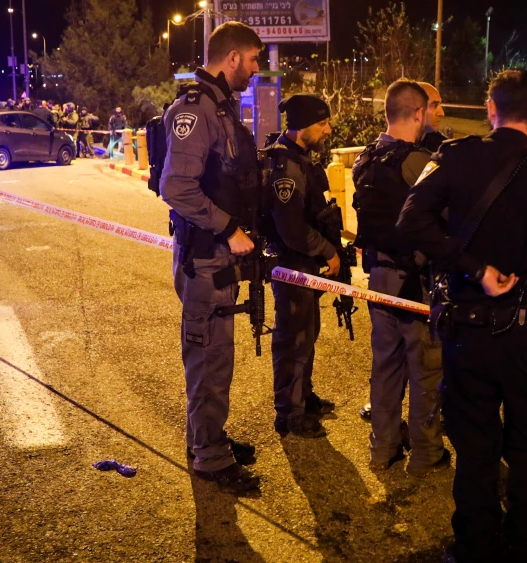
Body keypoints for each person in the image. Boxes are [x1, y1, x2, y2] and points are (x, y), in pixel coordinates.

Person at [397, 69, 527, 562]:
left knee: (474, 444)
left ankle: (474, 545)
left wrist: (474, 268)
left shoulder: (455, 156)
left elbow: (411, 222)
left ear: (491, 110)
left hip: (469, 330)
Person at [159, 21, 265, 493]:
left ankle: (206, 436)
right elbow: (175, 187)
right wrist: (229, 229)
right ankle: (209, 456)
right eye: (254, 59)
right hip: (205, 257)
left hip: (215, 258)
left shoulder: (218, 107)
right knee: (210, 358)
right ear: (233, 58)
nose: (257, 68)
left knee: (213, 357)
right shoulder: (196, 109)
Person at [351, 79, 448, 475]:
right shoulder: (418, 163)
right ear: (418, 113)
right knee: (425, 367)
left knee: (385, 366)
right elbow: (444, 217)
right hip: (414, 280)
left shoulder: (366, 158)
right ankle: (426, 454)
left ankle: (383, 448)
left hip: (378, 277)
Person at [261, 93, 338, 438]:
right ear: (303, 126)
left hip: (305, 268)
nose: (328, 129)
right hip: (293, 267)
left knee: (308, 333)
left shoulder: (300, 158)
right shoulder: (286, 168)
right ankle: (289, 413)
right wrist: (327, 251)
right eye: (322, 123)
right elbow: (292, 231)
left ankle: (303, 397)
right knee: (293, 338)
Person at [417, 82, 447, 152]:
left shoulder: (442, 148)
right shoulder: (391, 149)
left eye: (440, 104)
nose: (442, 113)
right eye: (434, 105)